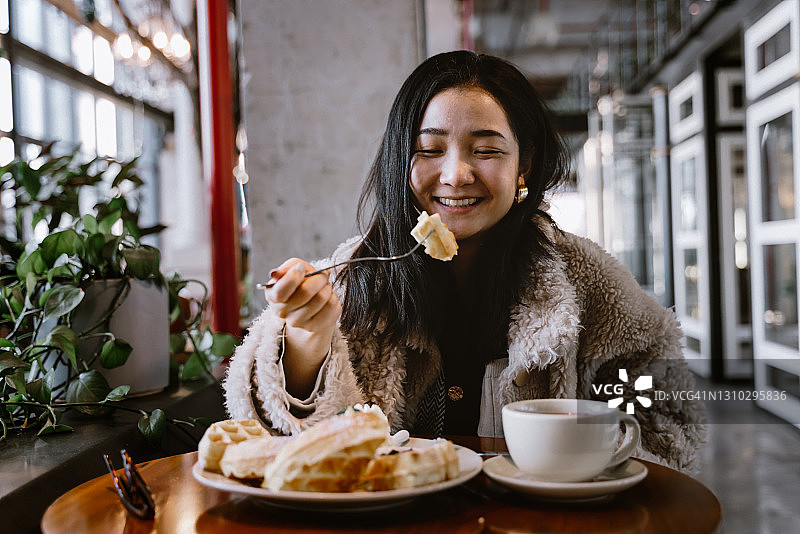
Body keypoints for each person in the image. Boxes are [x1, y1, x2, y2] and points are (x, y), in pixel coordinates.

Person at [224, 50, 706, 473]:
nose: (455, 175)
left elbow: (669, 423)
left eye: (487, 150)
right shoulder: (355, 276)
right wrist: (309, 338)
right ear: (400, 161)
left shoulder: (586, 281)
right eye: (430, 150)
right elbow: (274, 440)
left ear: (525, 165)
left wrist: (581, 466)